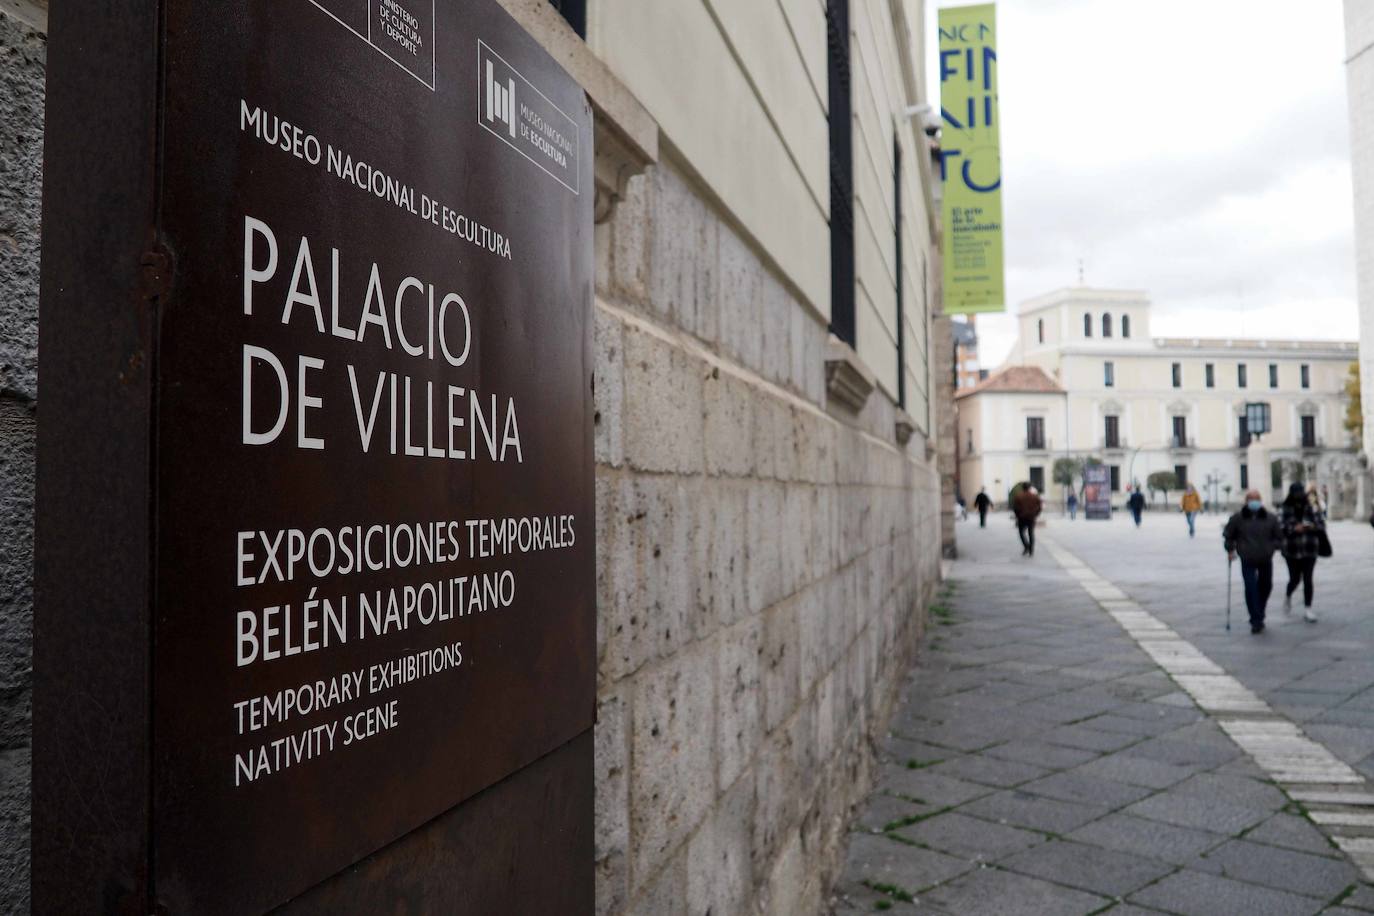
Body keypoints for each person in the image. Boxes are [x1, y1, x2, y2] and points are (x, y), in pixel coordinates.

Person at [1223, 488, 1284, 634]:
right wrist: (1230, 549)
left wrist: (1272, 547)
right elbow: (1228, 535)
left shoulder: (1271, 518)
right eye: (1251, 499)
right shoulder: (1238, 518)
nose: (1254, 502)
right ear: (1246, 501)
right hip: (1247, 557)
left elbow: (1279, 537)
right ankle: (1256, 619)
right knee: (1250, 588)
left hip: (1265, 557)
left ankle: (1259, 611)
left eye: (1256, 499)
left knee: (1266, 586)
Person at [1280, 482, 1325, 622]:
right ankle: (1288, 595)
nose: (1299, 496)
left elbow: (1321, 524)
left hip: (1309, 548)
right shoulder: (1285, 507)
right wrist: (1294, 528)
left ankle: (1308, 608)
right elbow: (1280, 526)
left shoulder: (1312, 506)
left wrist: (1309, 526)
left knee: (1307, 578)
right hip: (1291, 549)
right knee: (1294, 578)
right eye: (1296, 493)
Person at [1012, 483, 1042, 557]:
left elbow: (1015, 507)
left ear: (1023, 488)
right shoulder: (1035, 496)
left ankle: (1026, 546)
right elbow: (1039, 506)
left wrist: (1018, 515)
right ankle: (1031, 550)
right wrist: (1036, 514)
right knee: (1031, 533)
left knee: (1021, 533)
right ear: (1029, 488)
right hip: (1031, 517)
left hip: (1021, 517)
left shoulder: (1018, 496)